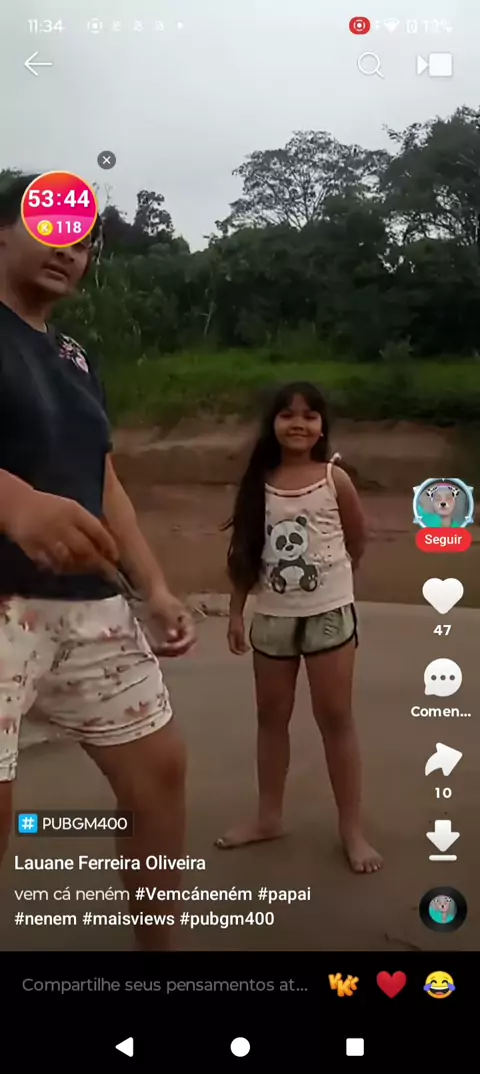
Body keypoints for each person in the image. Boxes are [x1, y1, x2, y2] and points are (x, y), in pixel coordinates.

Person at [0, 174, 196, 950]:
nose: (69, 250)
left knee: (160, 777)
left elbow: (104, 480)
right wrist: (15, 501)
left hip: (93, 608)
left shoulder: (77, 357)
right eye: (50, 229)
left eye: (83, 242)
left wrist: (155, 586)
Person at [215, 382, 382, 874]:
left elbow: (357, 540)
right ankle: (268, 818)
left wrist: (334, 584)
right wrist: (236, 612)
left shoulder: (335, 479)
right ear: (272, 424)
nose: (298, 424)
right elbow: (244, 555)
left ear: (322, 426)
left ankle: (351, 830)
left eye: (309, 415)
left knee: (336, 719)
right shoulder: (258, 483)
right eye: (288, 415)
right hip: (272, 619)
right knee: (271, 718)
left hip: (329, 615)